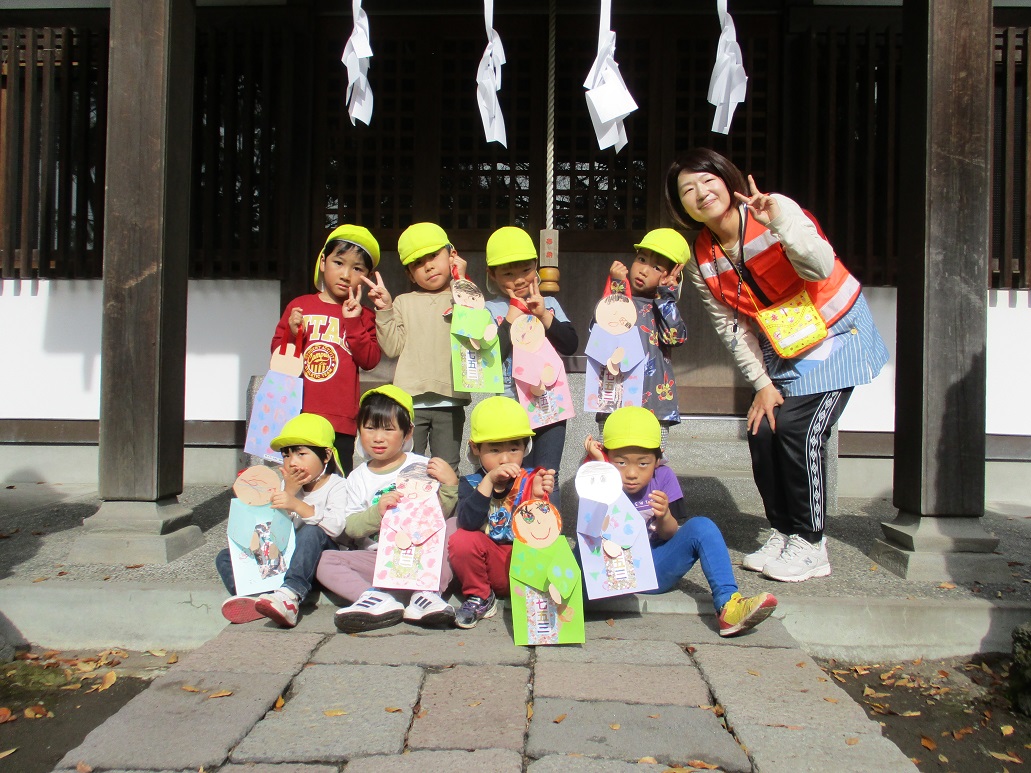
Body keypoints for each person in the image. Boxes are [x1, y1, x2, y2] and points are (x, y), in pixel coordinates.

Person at [664, 148, 889, 582]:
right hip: (784, 347)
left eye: (707, 180)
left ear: (727, 179)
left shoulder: (774, 209)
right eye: (687, 189)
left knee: (799, 430)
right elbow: (731, 328)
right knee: (763, 429)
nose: (701, 192)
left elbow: (820, 266)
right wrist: (762, 384)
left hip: (837, 333)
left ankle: (812, 542)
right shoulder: (702, 256)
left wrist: (780, 223)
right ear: (682, 206)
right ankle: (784, 531)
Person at [584, 407, 777, 637]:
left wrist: (664, 515)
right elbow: (590, 528)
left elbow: (669, 534)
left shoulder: (664, 478)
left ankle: (728, 605)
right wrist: (600, 466)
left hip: (651, 570)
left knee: (702, 527)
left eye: (643, 463)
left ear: (658, 459)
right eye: (621, 463)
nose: (632, 473)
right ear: (607, 457)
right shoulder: (597, 476)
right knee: (574, 551)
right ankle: (561, 606)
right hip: (606, 571)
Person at [316, 385, 461, 632]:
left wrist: (450, 485)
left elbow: (440, 515)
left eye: (388, 429)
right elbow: (349, 527)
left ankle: (426, 595)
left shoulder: (424, 466)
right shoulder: (357, 478)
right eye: (370, 428)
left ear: (408, 432)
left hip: (423, 557)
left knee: (454, 525)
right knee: (326, 561)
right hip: (380, 560)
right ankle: (374, 598)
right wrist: (377, 513)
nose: (378, 437)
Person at [217, 413, 351, 627]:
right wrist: (288, 492)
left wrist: (296, 504)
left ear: (326, 456)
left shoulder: (338, 486)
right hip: (285, 562)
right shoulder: (284, 487)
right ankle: (255, 598)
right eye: (286, 456)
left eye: (301, 454)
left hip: (320, 562)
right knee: (226, 556)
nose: (293, 462)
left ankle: (290, 596)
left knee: (311, 531)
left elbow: (336, 528)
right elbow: (272, 534)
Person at [270, 225, 381, 474]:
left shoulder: (364, 315)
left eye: (357, 268)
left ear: (367, 276)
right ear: (322, 262)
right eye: (338, 263)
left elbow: (370, 359)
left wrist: (353, 322)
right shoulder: (300, 305)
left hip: (340, 418)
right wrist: (293, 334)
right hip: (298, 411)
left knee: (338, 480)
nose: (346, 274)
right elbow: (278, 352)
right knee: (299, 477)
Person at [362, 223, 469, 475]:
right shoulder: (403, 302)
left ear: (452, 255)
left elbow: (474, 333)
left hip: (450, 400)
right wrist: (385, 309)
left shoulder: (462, 297)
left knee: (447, 469)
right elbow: (392, 348)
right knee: (407, 468)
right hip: (408, 403)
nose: (428, 266)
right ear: (410, 275)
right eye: (418, 263)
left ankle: (446, 505)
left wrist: (462, 281)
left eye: (433, 256)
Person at [483, 227, 578, 498]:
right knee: (511, 476)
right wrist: (511, 315)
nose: (518, 279)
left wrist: (544, 315)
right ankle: (509, 524)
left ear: (536, 266)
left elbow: (570, 344)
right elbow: (491, 358)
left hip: (550, 403)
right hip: (509, 403)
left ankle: (549, 525)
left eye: (525, 270)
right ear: (492, 274)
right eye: (507, 274)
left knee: (546, 476)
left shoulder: (550, 304)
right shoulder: (490, 310)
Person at [448, 396, 555, 629]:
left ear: (526, 447)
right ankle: (480, 596)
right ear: (475, 448)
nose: (505, 459)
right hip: (491, 566)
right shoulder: (471, 482)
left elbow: (545, 532)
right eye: (495, 449)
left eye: (514, 449)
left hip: (526, 567)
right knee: (461, 538)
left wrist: (538, 498)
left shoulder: (531, 479)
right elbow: (468, 522)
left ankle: (537, 600)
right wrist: (488, 481)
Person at [603, 228, 689, 442]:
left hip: (654, 402)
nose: (643, 270)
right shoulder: (618, 298)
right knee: (613, 454)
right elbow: (603, 329)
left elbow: (675, 337)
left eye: (656, 267)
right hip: (616, 397)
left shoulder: (662, 306)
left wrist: (666, 296)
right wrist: (617, 287)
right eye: (641, 259)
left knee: (653, 457)